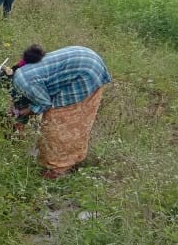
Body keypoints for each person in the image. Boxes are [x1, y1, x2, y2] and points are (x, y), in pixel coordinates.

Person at [11, 46, 111, 179]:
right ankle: (65, 161)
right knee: (65, 122)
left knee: (59, 123)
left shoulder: (23, 83)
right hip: (86, 58)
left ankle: (57, 169)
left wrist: (27, 111)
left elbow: (45, 103)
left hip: (86, 72)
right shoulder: (18, 72)